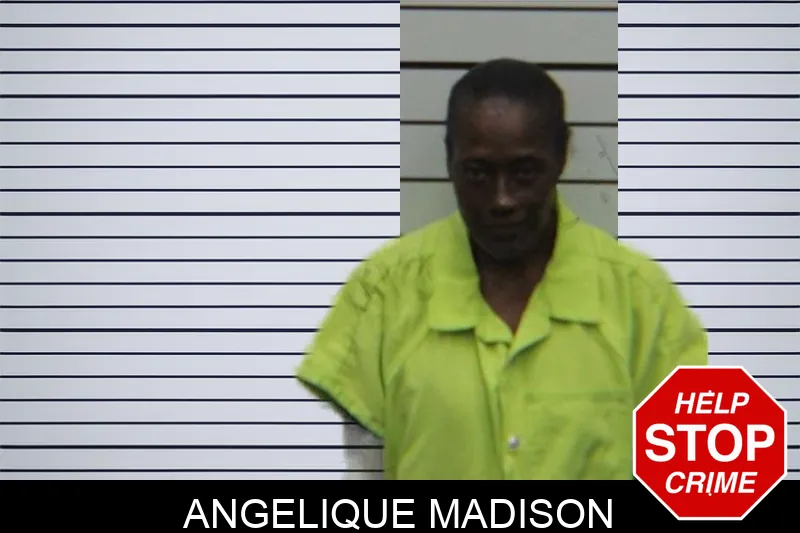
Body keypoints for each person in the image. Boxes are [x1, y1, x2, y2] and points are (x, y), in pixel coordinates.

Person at [295, 58, 708, 480]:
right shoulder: (382, 294)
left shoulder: (642, 301)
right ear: (449, 158)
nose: (502, 199)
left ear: (562, 154)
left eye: (524, 172)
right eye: (478, 173)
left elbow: (695, 482)